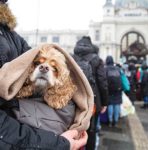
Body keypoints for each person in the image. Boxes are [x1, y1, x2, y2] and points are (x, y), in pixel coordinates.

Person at [0, 1, 87, 149]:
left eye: (53, 68)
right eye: (40, 64)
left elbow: (31, 57)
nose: (45, 67)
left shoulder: (9, 33)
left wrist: (81, 73)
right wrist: (57, 144)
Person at [73, 36, 108, 150]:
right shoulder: (96, 59)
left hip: (73, 99)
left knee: (73, 128)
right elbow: (102, 82)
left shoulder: (71, 58)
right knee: (91, 130)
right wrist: (104, 103)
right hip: (93, 100)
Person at [105, 56, 122, 127]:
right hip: (118, 90)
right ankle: (115, 121)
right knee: (117, 104)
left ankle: (110, 121)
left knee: (110, 105)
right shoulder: (118, 69)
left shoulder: (105, 69)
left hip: (109, 90)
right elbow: (122, 78)